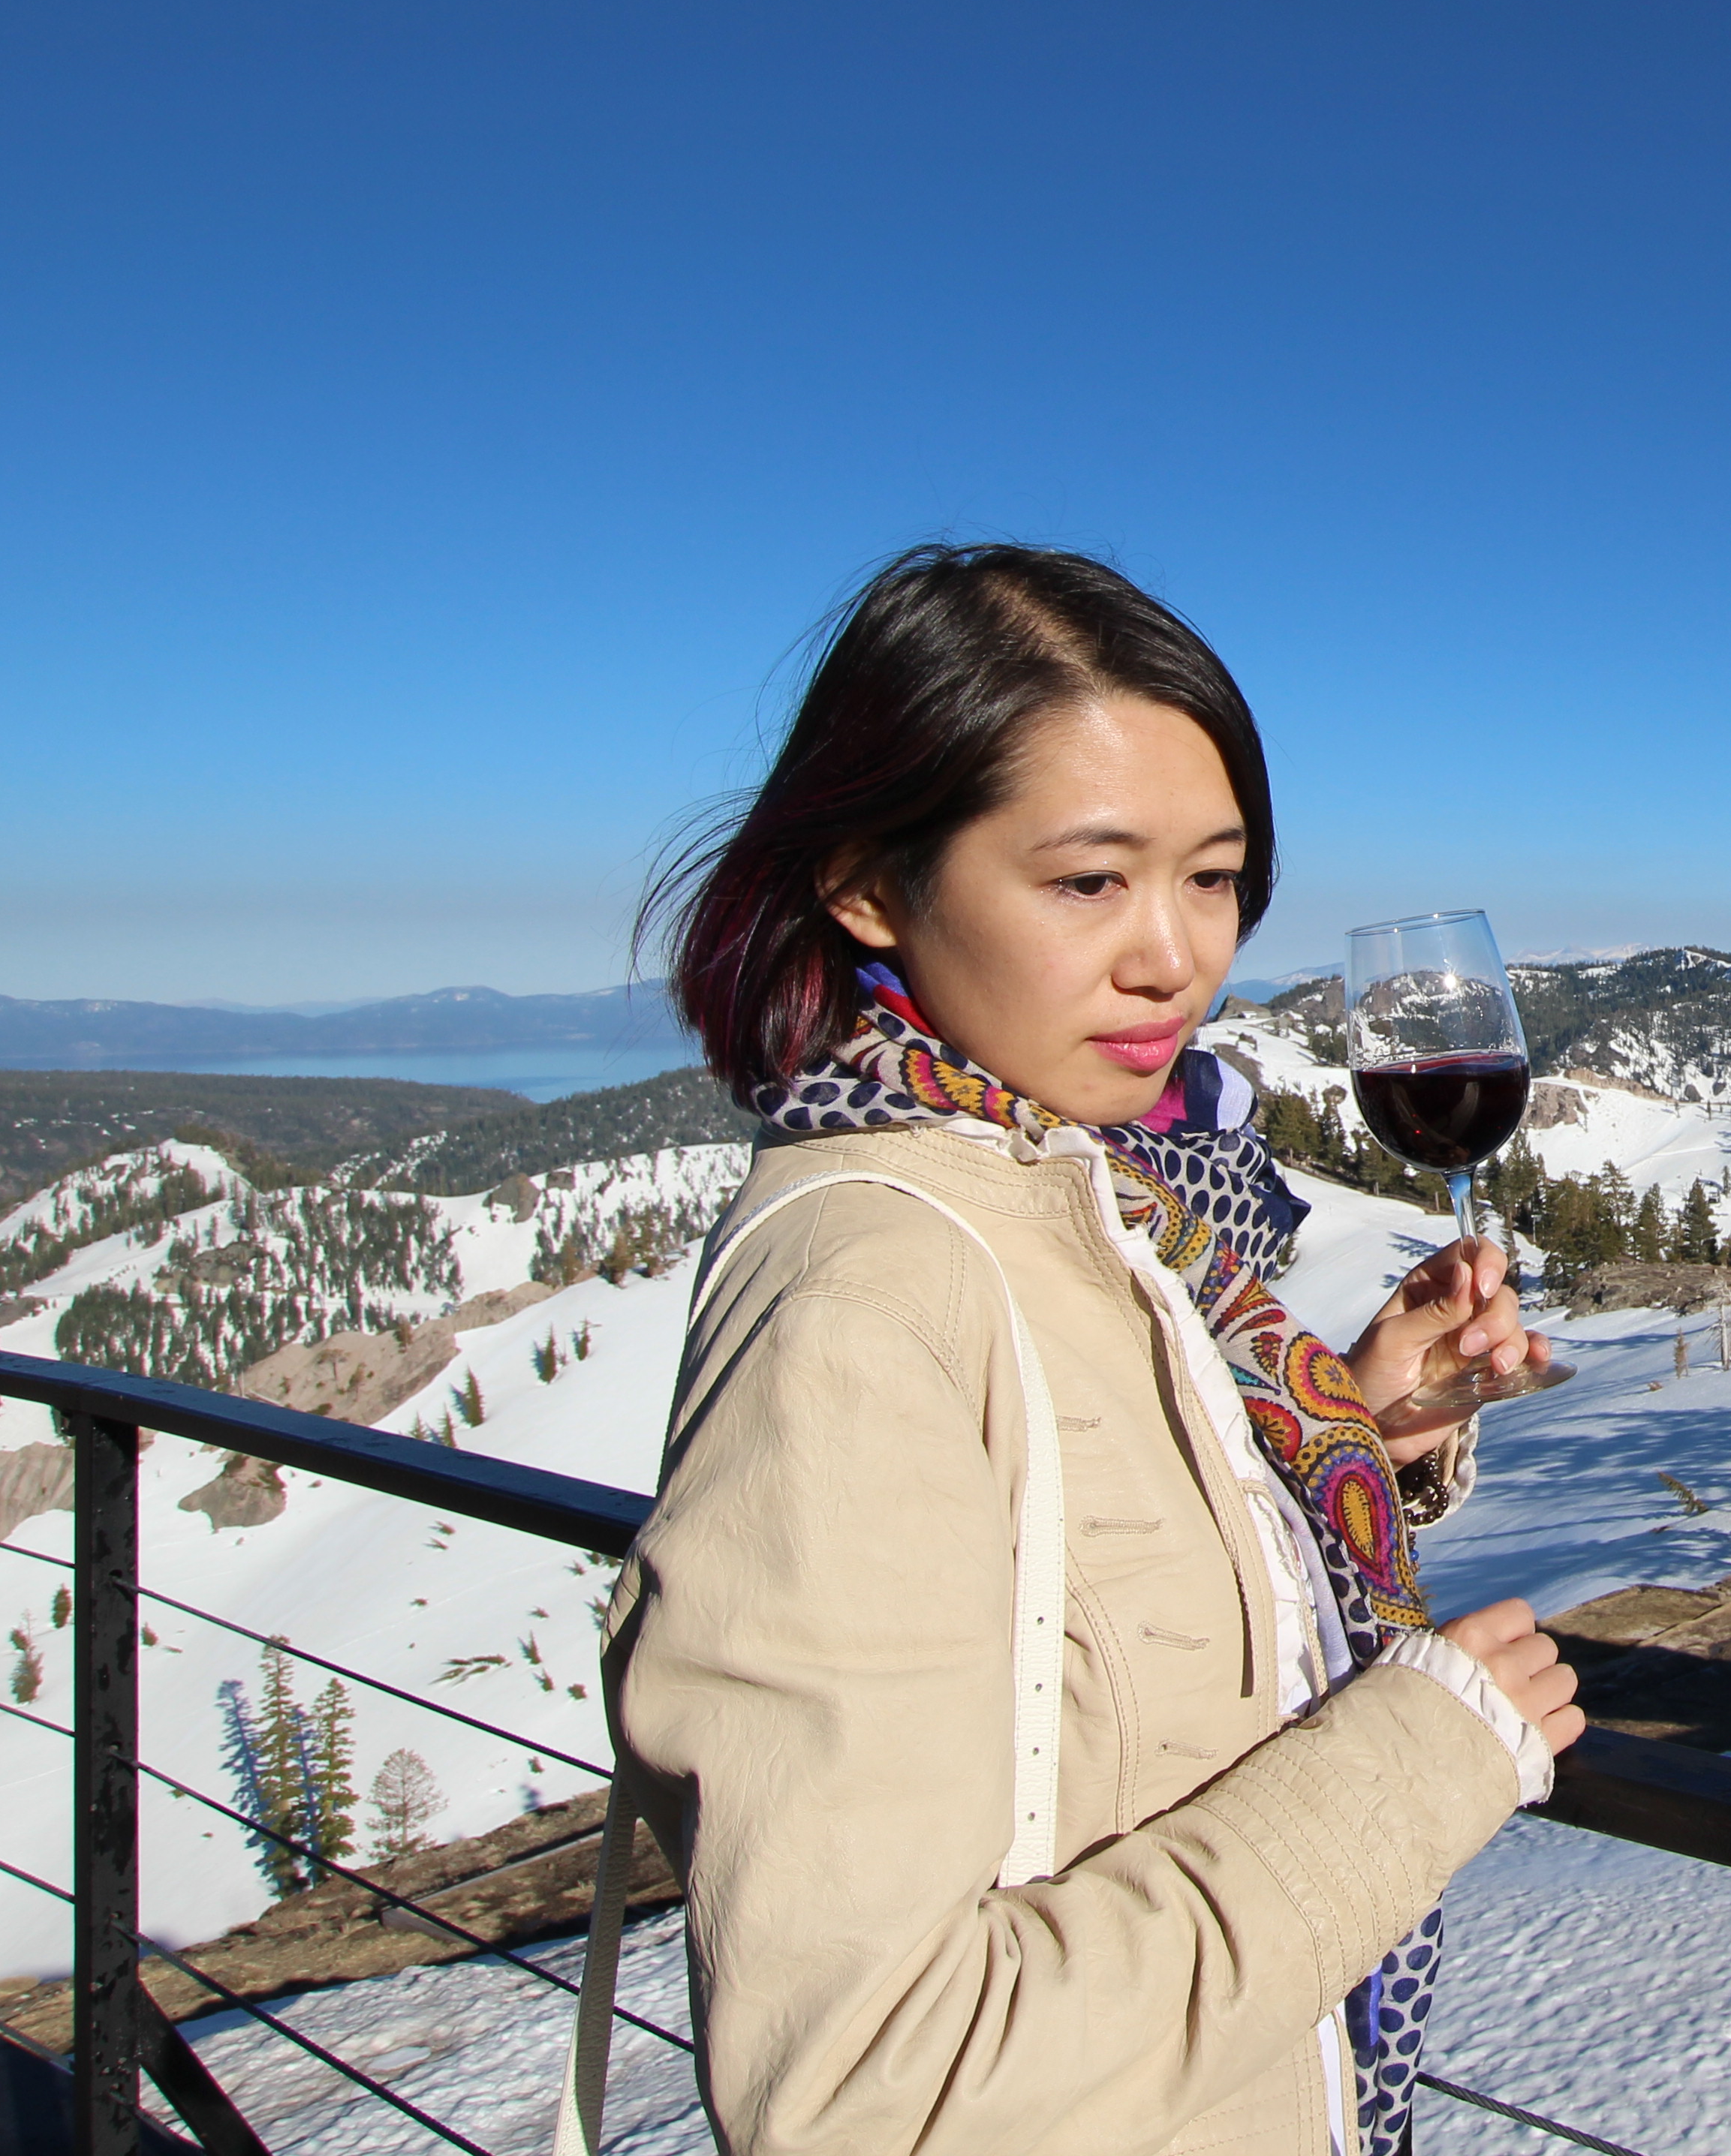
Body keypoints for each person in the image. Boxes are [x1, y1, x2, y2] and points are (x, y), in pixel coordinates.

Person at [599, 543, 1579, 2156]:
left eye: (1213, 877)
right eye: (1087, 881)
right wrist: (1418, 1758)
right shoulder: (866, 1291)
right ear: (865, 881)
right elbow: (868, 2098)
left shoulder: (1108, 1203)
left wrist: (1356, 1429)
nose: (1174, 957)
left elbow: (1115, 1644)